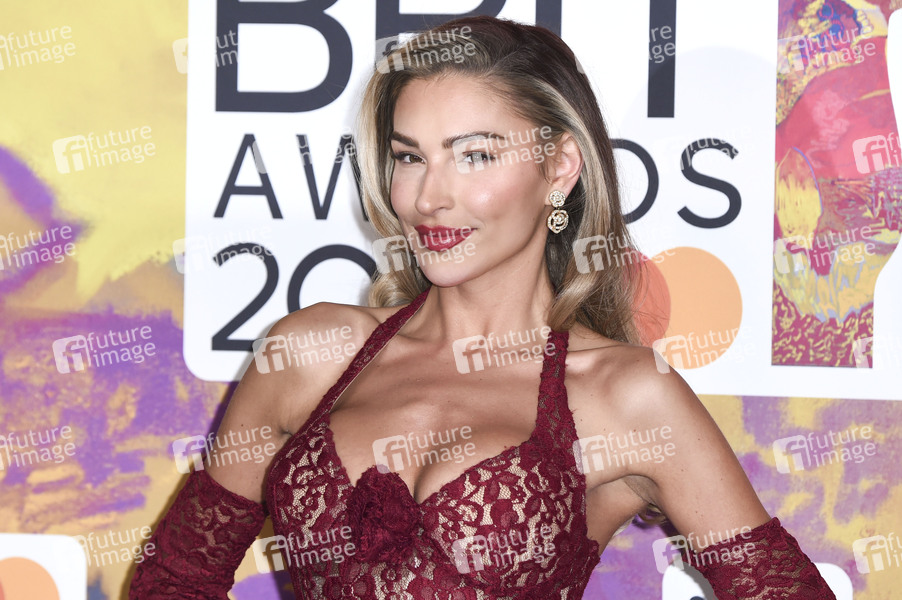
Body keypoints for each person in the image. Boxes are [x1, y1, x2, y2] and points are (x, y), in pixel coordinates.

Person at [130, 16, 836, 599]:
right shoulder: (307, 354)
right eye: (410, 157)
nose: (427, 198)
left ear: (559, 167)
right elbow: (174, 580)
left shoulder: (625, 396)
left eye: (474, 156)